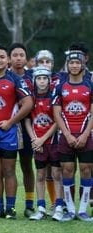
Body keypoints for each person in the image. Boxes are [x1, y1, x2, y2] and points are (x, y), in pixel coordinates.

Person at [0, 44, 33, 219]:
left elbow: (28, 103)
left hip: (8, 132)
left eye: (2, 57)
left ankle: (10, 208)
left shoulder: (15, 80)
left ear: (7, 60)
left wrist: (11, 122)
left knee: (9, 170)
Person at [52, 51, 93, 222]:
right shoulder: (60, 86)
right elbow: (57, 113)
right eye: (72, 62)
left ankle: (83, 211)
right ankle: (69, 210)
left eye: (78, 62)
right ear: (67, 65)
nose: (75, 65)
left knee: (86, 170)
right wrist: (67, 135)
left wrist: (84, 135)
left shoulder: (90, 85)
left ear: (83, 64)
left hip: (86, 135)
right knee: (67, 171)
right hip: (66, 137)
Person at [25, 66, 64, 221]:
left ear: (49, 80)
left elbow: (56, 121)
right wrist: (34, 139)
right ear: (35, 80)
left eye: (44, 78)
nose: (41, 81)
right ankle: (40, 207)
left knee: (56, 174)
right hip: (38, 143)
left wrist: (43, 138)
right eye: (39, 78)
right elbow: (27, 121)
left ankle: (59, 206)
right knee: (40, 175)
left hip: (52, 141)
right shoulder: (31, 98)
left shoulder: (54, 97)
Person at [8, 42, 35, 217]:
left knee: (27, 166)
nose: (18, 58)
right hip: (8, 128)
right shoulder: (5, 76)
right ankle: (8, 206)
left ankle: (30, 204)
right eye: (15, 55)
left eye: (21, 55)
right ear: (10, 58)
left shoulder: (33, 76)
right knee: (7, 168)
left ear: (26, 58)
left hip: (29, 128)